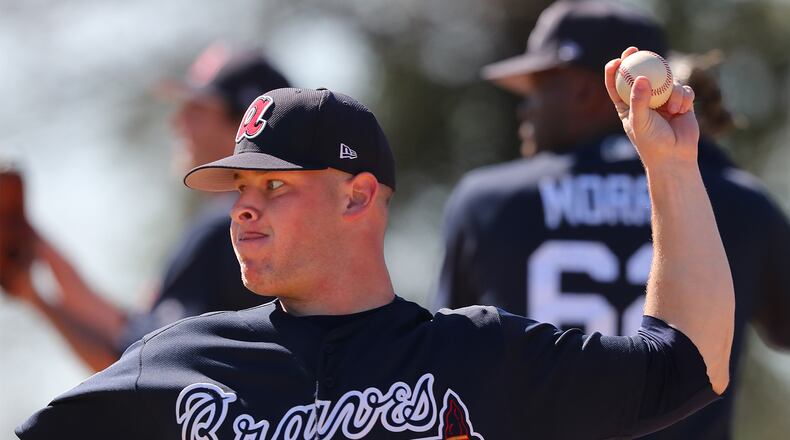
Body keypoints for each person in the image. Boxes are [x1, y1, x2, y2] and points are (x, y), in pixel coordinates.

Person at [17, 50, 734, 438]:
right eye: (238, 187)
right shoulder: (178, 362)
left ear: (358, 195)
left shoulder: (475, 359)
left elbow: (688, 365)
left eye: (274, 187)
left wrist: (670, 167)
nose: (241, 210)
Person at [435, 1, 790, 439]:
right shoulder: (737, 200)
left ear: (587, 93)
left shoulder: (486, 203)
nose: (523, 109)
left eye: (537, 87)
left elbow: (448, 371)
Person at [1, 42, 290, 371]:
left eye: (196, 108)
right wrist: (35, 261)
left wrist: (39, 300)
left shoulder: (230, 228)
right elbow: (131, 331)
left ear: (245, 125)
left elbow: (140, 365)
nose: (178, 122)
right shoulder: (279, 222)